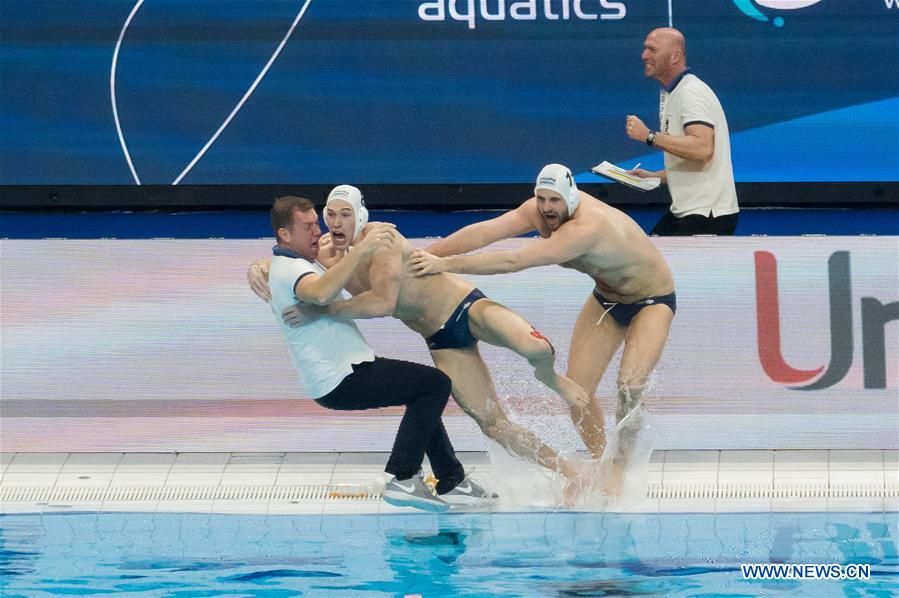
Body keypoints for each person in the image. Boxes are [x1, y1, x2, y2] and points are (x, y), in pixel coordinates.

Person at [250, 186, 592, 501]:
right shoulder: (325, 253)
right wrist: (259, 265)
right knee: (493, 425)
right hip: (441, 339)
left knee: (535, 348)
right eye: (330, 216)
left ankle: (550, 377)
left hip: (465, 306)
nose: (334, 224)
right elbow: (287, 260)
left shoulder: (382, 240)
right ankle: (570, 473)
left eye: (345, 215)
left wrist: (324, 309)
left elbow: (382, 303)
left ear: (361, 216)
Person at [408, 164, 676, 493]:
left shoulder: (586, 227)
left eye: (555, 201)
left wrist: (443, 265)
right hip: (607, 299)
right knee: (577, 392)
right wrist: (425, 254)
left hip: (652, 299)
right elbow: (485, 232)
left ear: (571, 198)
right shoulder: (537, 210)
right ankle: (601, 467)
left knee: (630, 386)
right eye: (542, 199)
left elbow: (513, 261)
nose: (547, 208)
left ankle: (618, 468)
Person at [264, 195, 493, 512]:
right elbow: (320, 292)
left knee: (421, 392)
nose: (318, 231)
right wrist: (362, 250)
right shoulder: (291, 269)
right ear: (285, 235)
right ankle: (403, 477)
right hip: (340, 377)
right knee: (434, 385)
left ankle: (451, 480)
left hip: (348, 369)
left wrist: (360, 243)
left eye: (317, 223)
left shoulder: (299, 262)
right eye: (308, 227)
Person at [625, 27, 739, 236]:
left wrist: (648, 136)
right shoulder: (674, 92)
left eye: (652, 50)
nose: (644, 55)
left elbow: (703, 149)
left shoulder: (690, 92)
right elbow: (696, 162)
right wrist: (656, 177)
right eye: (645, 49)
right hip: (689, 211)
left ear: (675, 56)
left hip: (707, 214)